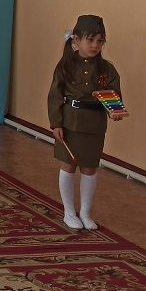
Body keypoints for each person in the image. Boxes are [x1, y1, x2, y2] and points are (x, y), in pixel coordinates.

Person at [48, 15, 123, 230]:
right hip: (70, 123)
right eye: (90, 40)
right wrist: (56, 123)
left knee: (90, 168)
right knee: (68, 165)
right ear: (76, 39)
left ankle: (86, 213)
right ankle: (69, 212)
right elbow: (55, 95)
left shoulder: (107, 69)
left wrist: (115, 110)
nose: (95, 45)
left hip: (94, 125)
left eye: (100, 41)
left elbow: (114, 94)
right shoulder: (66, 65)